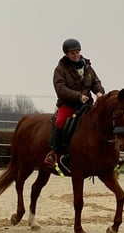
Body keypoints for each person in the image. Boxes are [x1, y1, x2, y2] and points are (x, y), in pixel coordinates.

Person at [44, 38, 104, 169]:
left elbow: (95, 82)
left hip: (87, 105)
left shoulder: (88, 67)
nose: (76, 55)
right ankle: (54, 152)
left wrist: (99, 92)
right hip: (68, 105)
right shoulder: (60, 69)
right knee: (59, 122)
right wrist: (78, 96)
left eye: (77, 52)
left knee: (102, 120)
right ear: (66, 54)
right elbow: (60, 89)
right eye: (72, 53)